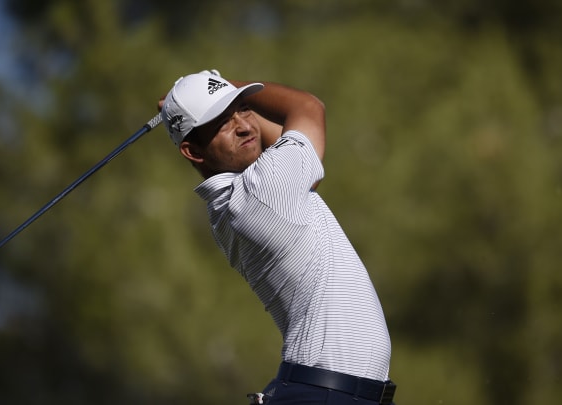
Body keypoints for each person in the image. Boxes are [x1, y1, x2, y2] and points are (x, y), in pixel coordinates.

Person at [158, 70, 396, 405]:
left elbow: (261, 136)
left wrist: (206, 97)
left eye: (241, 110)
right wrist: (232, 87)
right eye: (222, 123)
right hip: (326, 395)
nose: (243, 125)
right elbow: (307, 108)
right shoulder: (262, 192)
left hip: (333, 393)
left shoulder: (247, 195)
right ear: (193, 152)